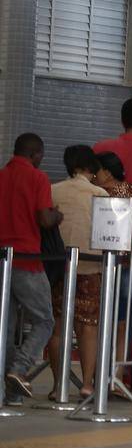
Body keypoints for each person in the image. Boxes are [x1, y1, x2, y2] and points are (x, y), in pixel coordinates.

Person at [1, 134, 61, 403]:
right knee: (45, 320)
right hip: (27, 260)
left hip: (2, 259)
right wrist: (57, 214)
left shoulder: (1, 176)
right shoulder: (38, 178)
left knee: (6, 326)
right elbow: (44, 219)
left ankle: (8, 392)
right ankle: (19, 368)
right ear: (36, 154)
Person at [47, 145, 108, 398]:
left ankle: (57, 385)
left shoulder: (53, 191)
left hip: (57, 267)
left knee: (58, 327)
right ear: (90, 167)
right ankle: (86, 384)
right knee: (88, 326)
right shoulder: (100, 194)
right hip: (91, 266)